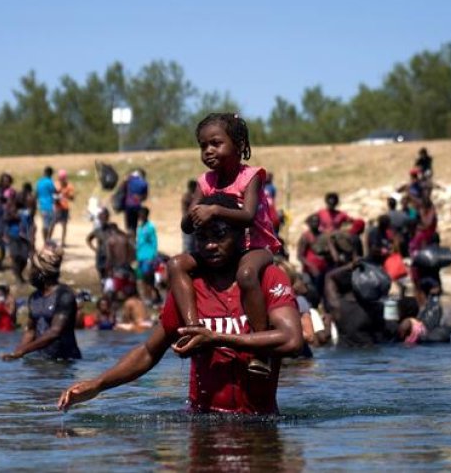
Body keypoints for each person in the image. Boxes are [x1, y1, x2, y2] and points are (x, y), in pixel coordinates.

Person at [57, 196, 301, 415]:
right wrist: (98, 384)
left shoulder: (267, 278)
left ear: (240, 234)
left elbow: (292, 340)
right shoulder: (188, 289)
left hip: (259, 424)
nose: (210, 245)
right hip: (204, 423)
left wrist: (217, 338)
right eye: (202, 238)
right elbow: (149, 352)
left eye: (219, 235)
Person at [173, 114, 281, 377]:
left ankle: (260, 349)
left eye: (216, 143)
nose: (208, 151)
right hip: (222, 249)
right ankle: (193, 330)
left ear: (238, 144)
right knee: (176, 264)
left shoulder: (250, 176)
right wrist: (193, 213)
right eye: (203, 146)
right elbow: (186, 226)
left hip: (255, 246)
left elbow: (248, 216)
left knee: (246, 274)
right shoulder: (205, 182)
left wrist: (214, 210)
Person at [0, 244, 81, 361]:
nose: (29, 274)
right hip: (43, 359)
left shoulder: (64, 296)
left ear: (42, 272)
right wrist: (16, 353)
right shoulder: (34, 297)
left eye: (32, 269)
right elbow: (31, 331)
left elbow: (55, 332)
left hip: (66, 361)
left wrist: (23, 351)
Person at [135, 207, 159, 304]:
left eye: (142, 214)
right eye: (139, 214)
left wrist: (152, 256)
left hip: (148, 256)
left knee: (148, 277)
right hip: (140, 256)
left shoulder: (150, 227)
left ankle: (153, 296)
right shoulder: (140, 227)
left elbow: (154, 242)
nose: (140, 216)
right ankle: (146, 297)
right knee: (141, 278)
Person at [36, 167, 58, 242]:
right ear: (50, 174)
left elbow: (36, 193)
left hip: (41, 206)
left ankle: (45, 240)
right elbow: (55, 191)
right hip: (50, 206)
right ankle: (48, 239)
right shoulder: (50, 182)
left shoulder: (39, 182)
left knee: (44, 224)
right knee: (52, 224)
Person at [56, 170, 76, 247]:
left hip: (65, 208)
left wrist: (66, 195)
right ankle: (48, 240)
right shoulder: (56, 185)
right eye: (60, 178)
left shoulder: (69, 186)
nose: (61, 180)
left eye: (62, 178)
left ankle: (63, 241)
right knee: (52, 224)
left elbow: (72, 198)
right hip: (56, 208)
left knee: (64, 225)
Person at [180, 180, 198, 254]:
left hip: (195, 222)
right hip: (188, 222)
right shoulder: (187, 197)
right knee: (188, 245)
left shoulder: (196, 195)